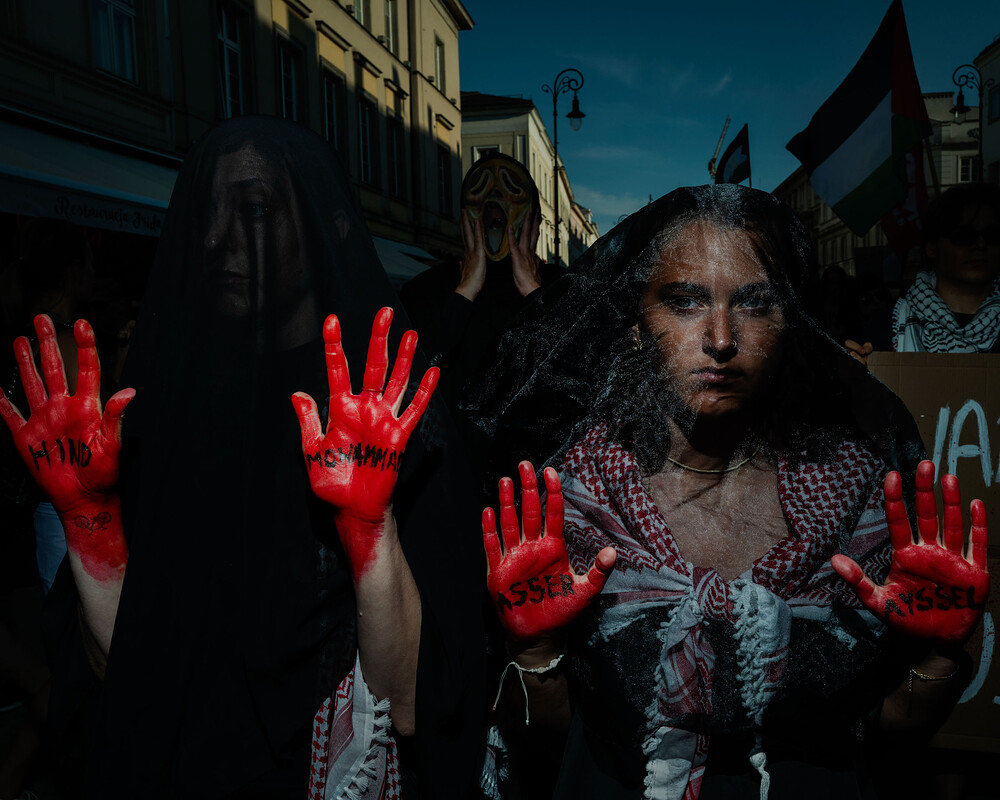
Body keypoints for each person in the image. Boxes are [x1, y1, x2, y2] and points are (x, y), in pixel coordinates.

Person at [0, 116, 485, 799]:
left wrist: (372, 533)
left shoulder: (392, 413)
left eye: (253, 209)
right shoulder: (163, 411)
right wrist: (89, 520)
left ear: (330, 228)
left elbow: (414, 704)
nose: (215, 237)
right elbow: (126, 677)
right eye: (205, 211)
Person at [472, 185, 989, 799]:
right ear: (637, 325)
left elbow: (882, 732)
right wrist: (534, 649)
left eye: (755, 304)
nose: (720, 337)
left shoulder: (857, 498)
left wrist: (935, 656)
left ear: (790, 325)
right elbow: (569, 739)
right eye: (685, 302)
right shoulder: (573, 505)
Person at [401, 152, 560, 411]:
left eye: (511, 190)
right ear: (464, 217)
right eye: (479, 191)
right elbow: (411, 381)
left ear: (535, 219)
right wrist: (464, 294)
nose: (494, 203)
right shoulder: (426, 291)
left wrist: (535, 295)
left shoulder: (565, 289)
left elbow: (575, 377)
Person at [846, 182, 1000, 362]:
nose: (980, 245)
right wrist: (854, 375)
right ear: (932, 247)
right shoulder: (885, 329)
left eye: (992, 234)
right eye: (964, 236)